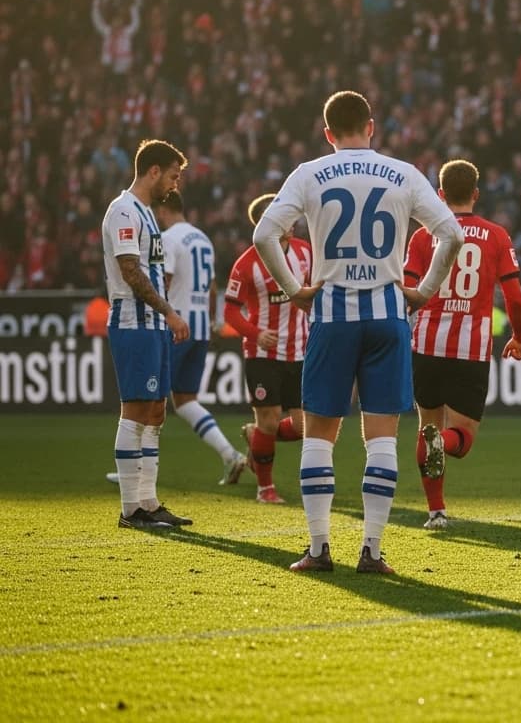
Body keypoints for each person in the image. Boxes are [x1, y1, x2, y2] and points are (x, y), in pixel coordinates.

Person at [252, 90, 462, 574]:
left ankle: (320, 549)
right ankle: (371, 550)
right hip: (388, 314)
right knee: (382, 439)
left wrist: (295, 289)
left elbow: (264, 234)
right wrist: (426, 289)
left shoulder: (308, 173)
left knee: (318, 438)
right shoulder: (403, 172)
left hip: (332, 314)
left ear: (328, 133)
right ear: (371, 125)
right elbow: (450, 233)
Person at [404, 159, 521, 529]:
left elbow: (408, 289)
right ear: (475, 194)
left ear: (440, 194)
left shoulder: (424, 236)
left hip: (425, 345)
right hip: (470, 351)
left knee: (427, 428)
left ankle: (436, 511)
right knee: (462, 439)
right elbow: (516, 299)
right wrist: (519, 338)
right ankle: (443, 442)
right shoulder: (497, 235)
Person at [101, 139, 191, 529]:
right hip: (133, 322)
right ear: (153, 171)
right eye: (172, 176)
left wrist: (164, 316)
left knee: (156, 412)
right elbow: (130, 271)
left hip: (152, 324)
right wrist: (169, 311)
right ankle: (129, 510)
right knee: (136, 411)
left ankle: (150, 502)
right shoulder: (123, 211)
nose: (174, 185)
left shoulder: (147, 213)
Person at [221, 193, 314, 503]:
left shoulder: (305, 252)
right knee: (270, 419)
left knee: (303, 427)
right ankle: (265, 489)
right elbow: (230, 311)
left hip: (299, 351)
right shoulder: (246, 264)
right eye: (283, 216)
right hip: (263, 355)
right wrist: (256, 333)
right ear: (266, 223)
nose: (292, 221)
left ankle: (255, 435)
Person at [154, 190, 247, 480]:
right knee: (185, 401)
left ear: (164, 209)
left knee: (150, 397)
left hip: (178, 326)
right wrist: (212, 321)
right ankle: (230, 455)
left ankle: (139, 470)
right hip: (201, 327)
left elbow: (164, 282)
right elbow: (213, 287)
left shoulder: (168, 239)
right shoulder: (202, 239)